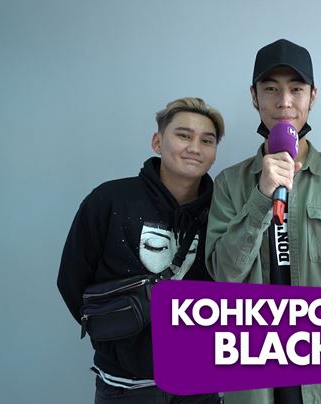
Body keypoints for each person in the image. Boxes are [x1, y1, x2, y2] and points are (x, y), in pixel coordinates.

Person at [205, 39, 321, 404]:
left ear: (313, 96)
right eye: (271, 89)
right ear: (254, 97)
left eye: (296, 89)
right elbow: (224, 275)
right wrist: (261, 194)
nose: (284, 102)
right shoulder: (228, 183)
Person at [57, 97, 225, 404]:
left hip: (199, 382)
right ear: (157, 142)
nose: (195, 148)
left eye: (207, 140)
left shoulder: (222, 211)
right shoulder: (109, 199)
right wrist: (116, 344)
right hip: (125, 386)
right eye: (183, 135)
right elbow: (72, 280)